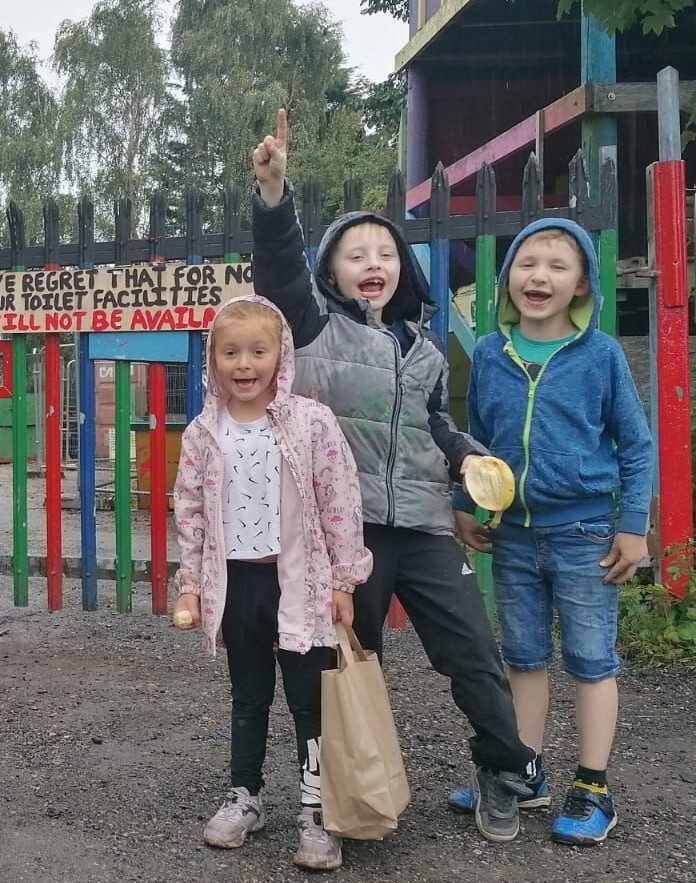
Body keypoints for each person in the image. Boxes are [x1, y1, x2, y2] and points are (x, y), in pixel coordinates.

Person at [250, 109, 541, 842]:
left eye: (384, 249)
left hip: (424, 524)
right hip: (350, 532)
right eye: (354, 252)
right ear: (331, 272)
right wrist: (275, 193)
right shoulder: (314, 329)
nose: (372, 260)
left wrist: (468, 457)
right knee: (346, 658)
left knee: (471, 648)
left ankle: (503, 768)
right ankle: (339, 790)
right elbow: (280, 269)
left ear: (403, 268)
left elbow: (435, 425)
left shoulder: (425, 346)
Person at [452, 219, 653, 846]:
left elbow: (636, 446)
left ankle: (593, 785)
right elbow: (476, 442)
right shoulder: (490, 351)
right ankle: (524, 772)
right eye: (527, 263)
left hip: (587, 531)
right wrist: (465, 501)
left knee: (592, 661)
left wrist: (634, 527)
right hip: (511, 533)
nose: (540, 276)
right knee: (524, 657)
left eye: (558, 266)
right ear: (509, 275)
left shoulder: (600, 356)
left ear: (582, 283)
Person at [170, 296, 371, 871]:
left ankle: (315, 808)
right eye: (230, 352)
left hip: (301, 585)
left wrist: (345, 579)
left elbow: (340, 502)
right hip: (237, 585)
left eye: (258, 350)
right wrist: (191, 585)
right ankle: (245, 796)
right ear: (212, 359)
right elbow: (191, 512)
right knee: (249, 695)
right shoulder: (204, 431)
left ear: (281, 355)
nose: (244, 364)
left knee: (310, 702)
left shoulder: (310, 422)